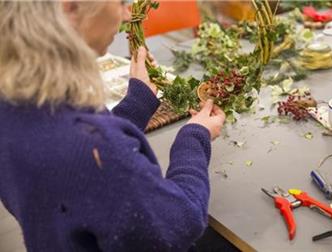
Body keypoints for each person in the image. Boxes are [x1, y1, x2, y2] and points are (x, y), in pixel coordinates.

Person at [0, 1, 225, 251]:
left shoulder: (15, 102)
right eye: (120, 3)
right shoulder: (94, 148)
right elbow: (181, 221)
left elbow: (88, 172)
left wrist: (136, 102)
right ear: (69, 8)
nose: (128, 14)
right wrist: (194, 137)